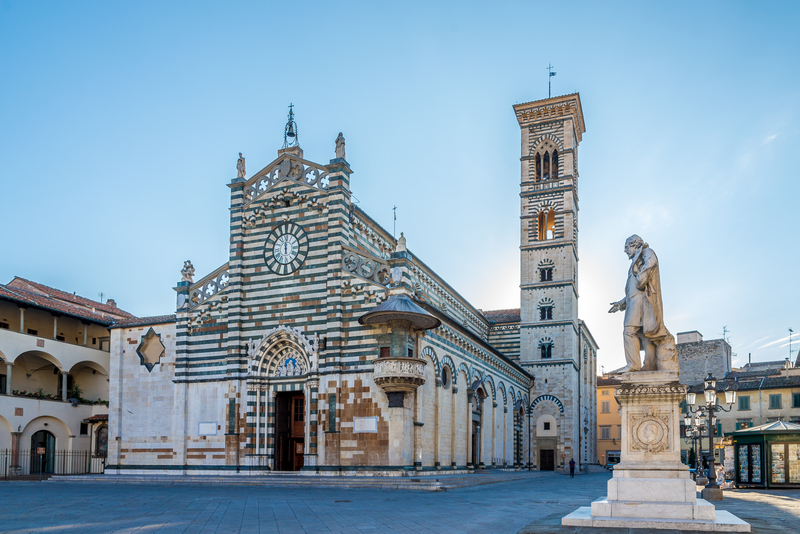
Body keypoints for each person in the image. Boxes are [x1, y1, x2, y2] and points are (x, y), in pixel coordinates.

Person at [608, 234, 677, 373]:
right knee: (645, 334)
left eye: (627, 247)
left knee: (629, 330)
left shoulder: (645, 251)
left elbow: (652, 262)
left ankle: (633, 364)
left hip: (641, 301)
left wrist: (641, 278)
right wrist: (621, 304)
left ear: (634, 245)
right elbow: (631, 291)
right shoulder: (637, 258)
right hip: (635, 300)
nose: (625, 251)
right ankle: (650, 365)